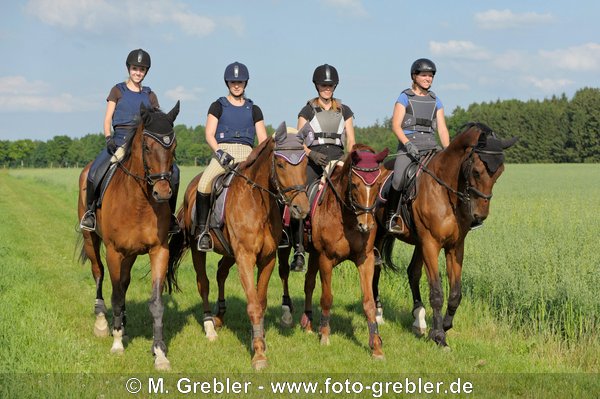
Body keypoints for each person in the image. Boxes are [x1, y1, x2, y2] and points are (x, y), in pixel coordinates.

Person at [79, 48, 181, 234]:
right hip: (119, 140)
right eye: (135, 68)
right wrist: (108, 137)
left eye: (141, 70)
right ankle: (91, 212)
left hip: (142, 145)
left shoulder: (150, 95)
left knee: (174, 174)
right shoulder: (118, 90)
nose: (138, 72)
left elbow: (156, 121)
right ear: (128, 68)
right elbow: (107, 118)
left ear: (146, 72)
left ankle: (170, 216)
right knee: (94, 171)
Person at [289, 63, 356, 272]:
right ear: (316, 86)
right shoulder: (307, 110)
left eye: (330, 85)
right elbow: (298, 140)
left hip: (338, 159)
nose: (327, 88)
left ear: (335, 86)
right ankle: (298, 249)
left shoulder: (344, 110)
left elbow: (351, 140)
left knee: (359, 191)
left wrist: (348, 159)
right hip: (314, 160)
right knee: (301, 196)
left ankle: (368, 243)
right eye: (323, 85)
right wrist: (311, 154)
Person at [195, 61, 268, 251]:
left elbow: (263, 139)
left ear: (246, 83)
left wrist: (258, 158)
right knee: (204, 184)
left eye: (240, 82)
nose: (237, 85)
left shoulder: (254, 109)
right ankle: (203, 231)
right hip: (223, 153)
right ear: (227, 83)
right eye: (233, 82)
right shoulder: (217, 105)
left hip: (248, 155)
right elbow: (209, 133)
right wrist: (219, 152)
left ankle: (277, 230)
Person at [386, 58, 450, 233]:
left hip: (431, 146)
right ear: (414, 76)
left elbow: (442, 129)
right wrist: (407, 144)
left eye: (431, 76)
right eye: (424, 75)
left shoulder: (436, 100)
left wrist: (448, 150)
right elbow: (396, 125)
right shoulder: (405, 97)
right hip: (409, 147)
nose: (428, 78)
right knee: (398, 179)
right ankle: (392, 216)